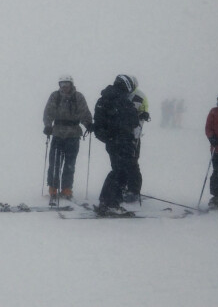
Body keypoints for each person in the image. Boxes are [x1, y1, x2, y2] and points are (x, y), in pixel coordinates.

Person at [93, 75, 140, 214]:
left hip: (111, 140)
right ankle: (110, 202)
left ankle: (108, 200)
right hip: (122, 139)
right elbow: (133, 120)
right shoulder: (121, 100)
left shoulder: (104, 99)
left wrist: (108, 136)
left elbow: (99, 121)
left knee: (117, 169)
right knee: (121, 171)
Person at [42, 75, 93, 202]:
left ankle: (66, 189)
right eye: (62, 84)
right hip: (58, 133)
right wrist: (48, 126)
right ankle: (53, 188)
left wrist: (88, 124)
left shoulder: (78, 97)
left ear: (71, 84)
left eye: (66, 83)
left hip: (73, 135)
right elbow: (48, 112)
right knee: (55, 163)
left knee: (70, 164)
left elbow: (84, 112)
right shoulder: (55, 96)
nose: (64, 86)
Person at [122, 75, 151, 202]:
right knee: (123, 162)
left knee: (132, 161)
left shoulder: (138, 96)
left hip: (134, 134)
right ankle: (124, 186)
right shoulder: (124, 94)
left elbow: (140, 113)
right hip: (124, 134)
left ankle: (133, 189)